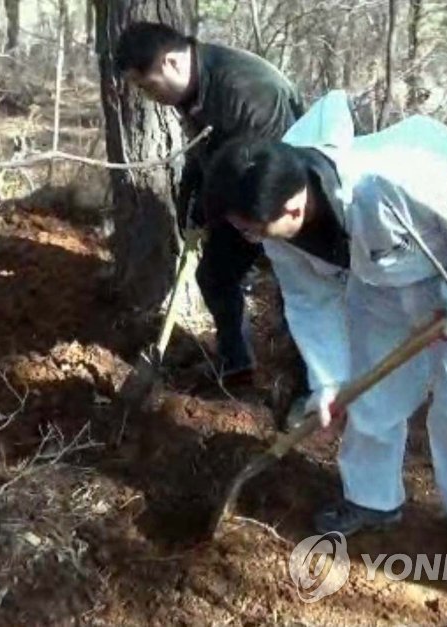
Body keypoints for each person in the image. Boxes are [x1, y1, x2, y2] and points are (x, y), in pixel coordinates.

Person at [200, 90, 447, 571]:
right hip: (381, 286)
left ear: (293, 207)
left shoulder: (396, 176)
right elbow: (309, 300)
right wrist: (329, 380)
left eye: (254, 230)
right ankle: (372, 498)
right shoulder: (277, 224)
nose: (251, 238)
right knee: (370, 395)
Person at [115, 21, 306, 393]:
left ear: (170, 63)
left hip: (286, 203)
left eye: (147, 86)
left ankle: (308, 392)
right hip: (239, 196)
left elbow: (255, 172)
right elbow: (205, 150)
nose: (148, 97)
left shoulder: (246, 91)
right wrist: (190, 203)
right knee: (215, 275)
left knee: (299, 297)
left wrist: (209, 210)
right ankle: (237, 369)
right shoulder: (195, 86)